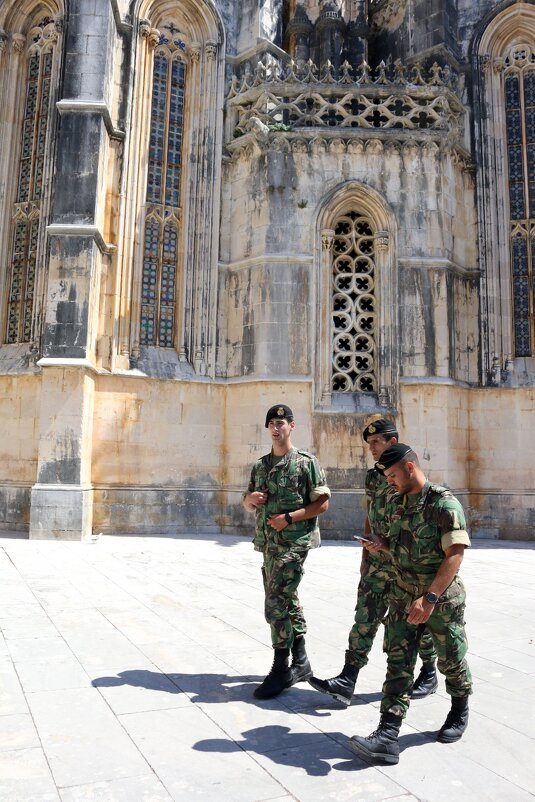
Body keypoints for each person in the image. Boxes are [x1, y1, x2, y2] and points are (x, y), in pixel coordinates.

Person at [348, 443, 472, 765]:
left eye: (391, 475)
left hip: (439, 601)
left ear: (410, 468)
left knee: (451, 662)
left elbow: (454, 555)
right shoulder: (396, 502)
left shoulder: (443, 504)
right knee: (398, 663)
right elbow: (398, 545)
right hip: (403, 596)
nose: (388, 481)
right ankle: (387, 735)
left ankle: (459, 710)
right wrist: (380, 545)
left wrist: (429, 599)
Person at [309, 419, 437, 705]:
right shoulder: (371, 476)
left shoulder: (409, 470)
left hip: (404, 562)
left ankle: (428, 671)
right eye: (369, 444)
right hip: (376, 560)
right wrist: (365, 555)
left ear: (392, 442)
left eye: (376, 443)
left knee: (414, 623)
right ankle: (347, 677)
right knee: (364, 617)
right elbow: (370, 512)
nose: (371, 449)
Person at [243, 404, 331, 700]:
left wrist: (290, 518)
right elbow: (247, 501)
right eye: (271, 424)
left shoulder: (306, 463)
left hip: (294, 543)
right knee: (287, 598)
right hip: (268, 544)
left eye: (281, 423)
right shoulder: (260, 466)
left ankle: (281, 667)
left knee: (275, 600)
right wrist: (250, 499)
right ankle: (302, 660)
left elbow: (322, 504)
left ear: (292, 426)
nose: (276, 428)